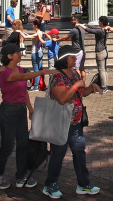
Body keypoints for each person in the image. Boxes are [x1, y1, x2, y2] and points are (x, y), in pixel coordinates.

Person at [43, 45, 103, 198]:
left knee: (79, 152)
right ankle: (50, 184)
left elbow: (81, 92)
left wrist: (91, 87)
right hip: (60, 122)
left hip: (75, 122)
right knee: (58, 154)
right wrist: (76, 86)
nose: (75, 59)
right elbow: (62, 99)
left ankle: (83, 184)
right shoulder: (57, 77)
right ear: (65, 59)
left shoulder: (74, 73)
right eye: (73, 57)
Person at [0, 42, 54, 189]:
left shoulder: (18, 68)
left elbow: (24, 91)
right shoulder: (6, 72)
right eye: (17, 52)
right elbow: (24, 76)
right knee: (7, 146)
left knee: (23, 144)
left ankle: (21, 175)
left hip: (20, 110)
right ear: (9, 56)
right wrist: (44, 72)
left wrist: (30, 108)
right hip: (8, 111)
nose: (20, 54)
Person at [84, 16, 111, 92]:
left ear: (102, 22)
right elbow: (93, 27)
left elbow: (91, 30)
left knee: (101, 70)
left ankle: (103, 86)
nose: (98, 23)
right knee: (104, 69)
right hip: (104, 51)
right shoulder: (104, 29)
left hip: (100, 52)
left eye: (99, 21)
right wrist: (86, 24)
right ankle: (105, 84)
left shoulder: (101, 31)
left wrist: (83, 27)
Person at [25, 20, 48, 91]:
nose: (32, 26)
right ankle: (42, 84)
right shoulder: (40, 32)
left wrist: (20, 32)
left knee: (36, 69)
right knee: (40, 69)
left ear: (36, 26)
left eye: (33, 25)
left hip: (35, 52)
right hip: (39, 51)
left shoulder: (38, 33)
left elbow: (28, 37)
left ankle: (36, 86)